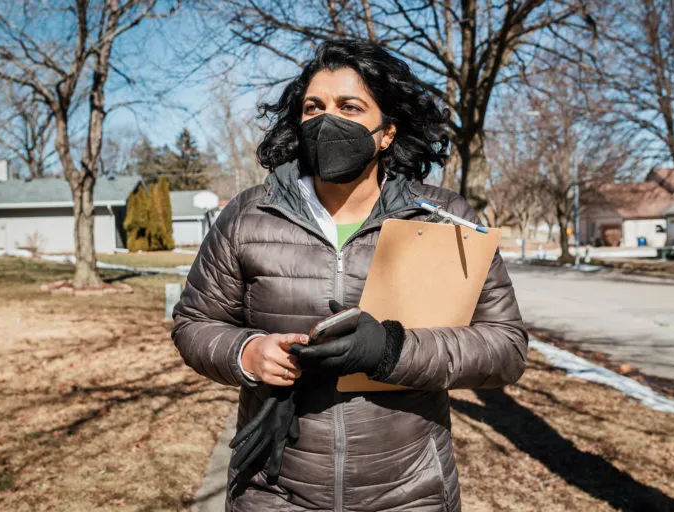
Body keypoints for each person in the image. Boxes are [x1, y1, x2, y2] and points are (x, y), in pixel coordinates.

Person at [172, 39, 527, 512]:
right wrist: (245, 352)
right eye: (313, 107)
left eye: (349, 106)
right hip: (274, 488)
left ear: (386, 133)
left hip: (408, 492)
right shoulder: (248, 215)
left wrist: (390, 350)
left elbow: (505, 347)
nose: (326, 120)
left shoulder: (445, 219)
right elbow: (193, 323)